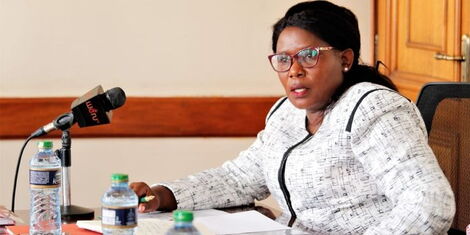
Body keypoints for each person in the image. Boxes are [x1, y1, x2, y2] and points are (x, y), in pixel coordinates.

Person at [130, 1, 455, 234]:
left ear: (345, 59)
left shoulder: (373, 108)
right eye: (283, 59)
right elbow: (240, 178)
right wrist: (163, 195)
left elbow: (428, 204)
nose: (294, 70)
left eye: (309, 56)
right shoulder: (286, 113)